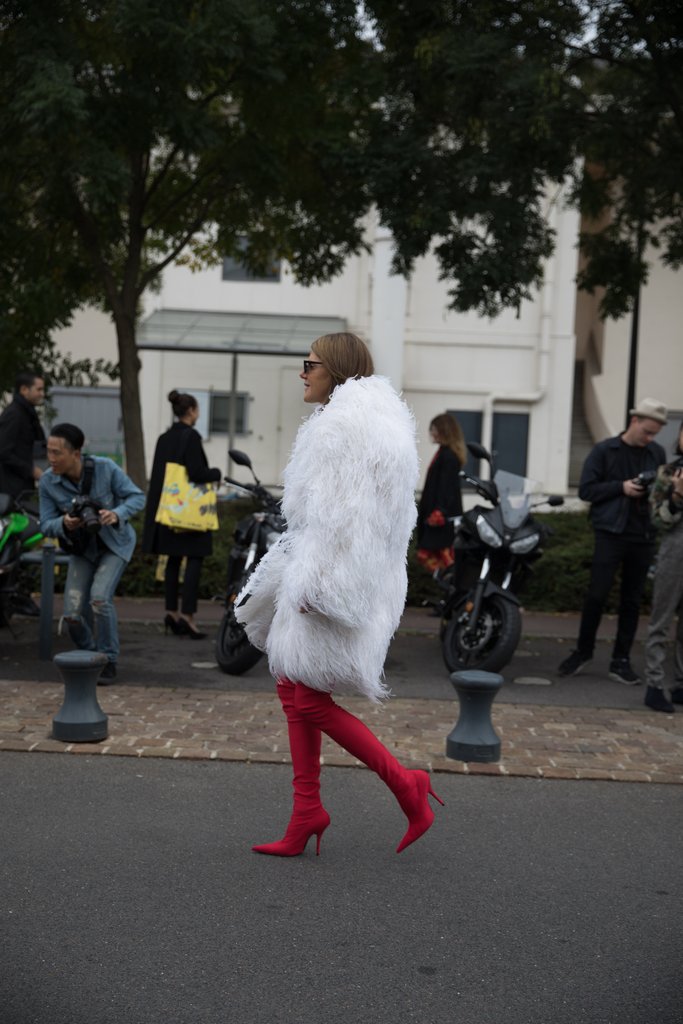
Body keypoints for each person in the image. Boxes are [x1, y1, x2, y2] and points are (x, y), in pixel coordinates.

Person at [236, 332, 443, 858]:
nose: (302, 372)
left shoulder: (344, 426)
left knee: (308, 698)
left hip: (333, 576)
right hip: (337, 570)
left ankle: (406, 785)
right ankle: (306, 810)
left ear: (335, 368)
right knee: (292, 687)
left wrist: (320, 586)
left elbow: (345, 519)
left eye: (309, 364)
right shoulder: (372, 420)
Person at [558, 398, 667, 684]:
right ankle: (583, 652)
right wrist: (621, 487)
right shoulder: (604, 450)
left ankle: (621, 660)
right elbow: (586, 491)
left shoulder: (656, 453)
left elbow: (661, 491)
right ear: (634, 421)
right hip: (610, 533)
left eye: (655, 434)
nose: (650, 438)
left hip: (644, 534)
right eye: (647, 431)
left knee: (632, 601)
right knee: (596, 595)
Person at [39, 423, 145, 682]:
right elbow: (45, 524)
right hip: (82, 549)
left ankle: (108, 660)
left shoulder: (105, 468)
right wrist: (64, 523)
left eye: (57, 453)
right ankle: (91, 654)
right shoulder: (48, 482)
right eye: (48, 452)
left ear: (76, 453)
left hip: (115, 544)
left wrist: (116, 514)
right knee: (72, 615)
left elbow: (137, 497)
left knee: (99, 599)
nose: (51, 458)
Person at [142, 390, 222, 639]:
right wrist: (216, 473)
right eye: (197, 410)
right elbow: (196, 472)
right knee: (195, 558)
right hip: (190, 514)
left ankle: (171, 612)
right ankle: (188, 616)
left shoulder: (164, 438)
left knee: (174, 560)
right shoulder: (192, 436)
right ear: (191, 411)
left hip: (168, 510)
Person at [643, 421, 683, 713]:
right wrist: (678, 496)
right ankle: (654, 685)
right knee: (662, 618)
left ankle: (681, 684)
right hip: (675, 549)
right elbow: (658, 520)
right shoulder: (668, 473)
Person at [416, 413, 466, 573]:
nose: (431, 433)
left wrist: (439, 511)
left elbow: (446, 488)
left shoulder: (448, 456)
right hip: (438, 516)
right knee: (438, 561)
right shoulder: (444, 453)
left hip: (440, 519)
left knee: (439, 560)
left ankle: (448, 582)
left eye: (434, 429)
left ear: (444, 430)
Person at [0, 370, 46, 499]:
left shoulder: (27, 414)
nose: (42, 394)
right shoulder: (14, 415)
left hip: (20, 486)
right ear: (24, 389)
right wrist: (31, 470)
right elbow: (3, 451)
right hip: (10, 489)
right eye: (39, 389)